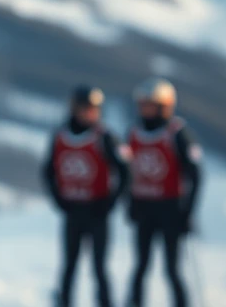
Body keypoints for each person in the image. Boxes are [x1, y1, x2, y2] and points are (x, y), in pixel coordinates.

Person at [42, 86, 129, 307]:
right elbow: (48, 170)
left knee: (99, 266)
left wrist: (110, 202)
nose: (90, 113)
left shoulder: (106, 136)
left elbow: (125, 171)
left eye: (94, 109)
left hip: (97, 211)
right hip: (73, 211)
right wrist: (58, 199)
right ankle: (65, 301)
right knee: (70, 264)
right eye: (86, 109)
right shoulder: (61, 136)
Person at [126, 77, 203, 307]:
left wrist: (187, 211)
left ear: (164, 105)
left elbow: (196, 175)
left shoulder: (178, 134)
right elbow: (129, 172)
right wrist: (131, 202)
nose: (144, 109)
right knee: (141, 265)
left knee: (172, 269)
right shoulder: (135, 133)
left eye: (149, 104)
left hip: (170, 209)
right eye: (142, 104)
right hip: (144, 209)